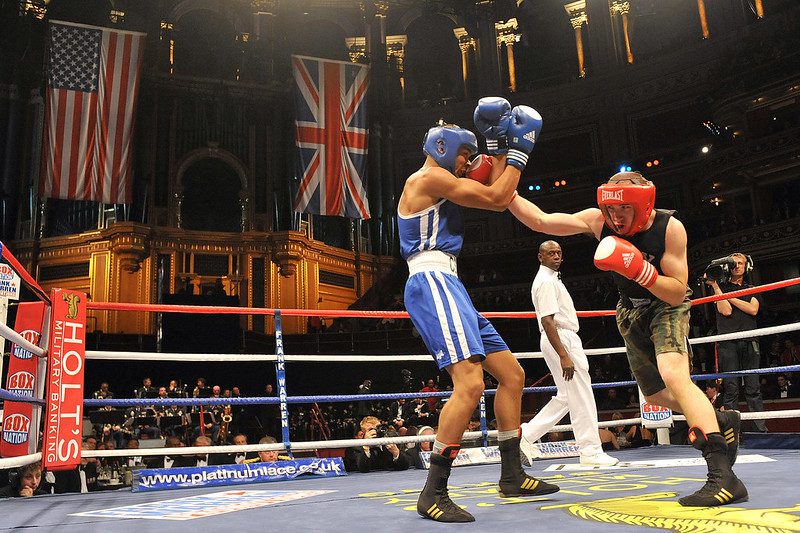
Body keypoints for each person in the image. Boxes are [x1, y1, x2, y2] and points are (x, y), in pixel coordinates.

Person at [507, 170, 746, 506]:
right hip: (629, 311)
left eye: (624, 209)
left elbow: (677, 292)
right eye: (611, 209)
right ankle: (720, 420)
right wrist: (505, 192)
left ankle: (723, 476)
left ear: (644, 204)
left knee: (675, 376)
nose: (615, 217)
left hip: (666, 306)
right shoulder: (597, 220)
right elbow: (543, 220)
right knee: (659, 396)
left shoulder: (668, 228)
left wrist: (640, 270)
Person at [399, 97, 558, 523]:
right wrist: (519, 151)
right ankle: (433, 491)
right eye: (465, 155)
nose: (469, 163)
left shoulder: (446, 179)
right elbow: (496, 197)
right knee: (469, 385)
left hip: (451, 283)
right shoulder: (428, 179)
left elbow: (492, 186)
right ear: (442, 149)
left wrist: (496, 145)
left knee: (512, 374)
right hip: (431, 281)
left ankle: (511, 474)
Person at [519, 240, 618, 467]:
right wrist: (564, 355)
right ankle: (591, 450)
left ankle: (525, 435)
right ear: (540, 257)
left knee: (567, 396)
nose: (556, 256)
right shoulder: (545, 281)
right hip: (561, 339)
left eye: (558, 253)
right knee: (581, 394)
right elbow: (547, 320)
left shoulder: (552, 280)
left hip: (560, 338)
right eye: (550, 253)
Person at [705, 252, 768, 432]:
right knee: (731, 389)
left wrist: (729, 296)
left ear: (747, 266)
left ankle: (761, 430)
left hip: (749, 341)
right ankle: (733, 431)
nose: (737, 266)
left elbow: (753, 309)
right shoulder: (720, 288)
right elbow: (725, 311)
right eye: (734, 263)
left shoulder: (752, 288)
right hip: (728, 342)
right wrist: (717, 288)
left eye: (741, 263)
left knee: (753, 388)